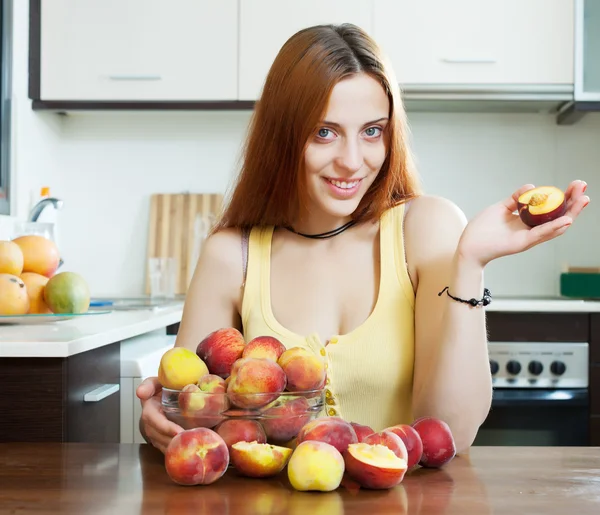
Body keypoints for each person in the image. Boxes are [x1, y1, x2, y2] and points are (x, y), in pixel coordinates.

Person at [137, 23, 590, 455]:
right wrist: (159, 422)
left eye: (372, 131)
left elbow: (452, 431)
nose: (353, 161)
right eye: (324, 132)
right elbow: (193, 416)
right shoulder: (231, 255)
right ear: (282, 137)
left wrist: (470, 264)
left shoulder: (425, 229)